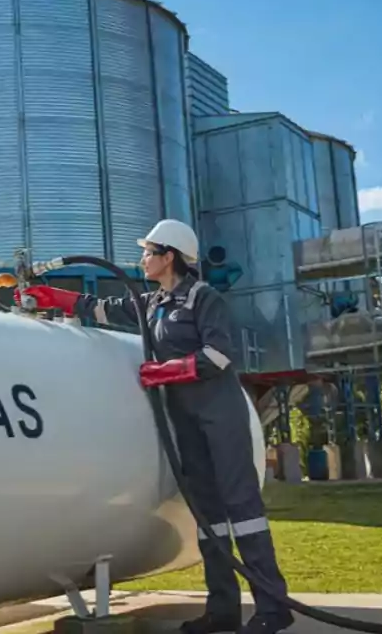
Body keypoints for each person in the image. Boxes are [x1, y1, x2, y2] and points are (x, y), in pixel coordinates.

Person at [16, 219, 294, 634]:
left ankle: (274, 608)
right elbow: (102, 309)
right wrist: (54, 296)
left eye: (149, 252)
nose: (142, 259)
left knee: (243, 511)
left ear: (170, 257)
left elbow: (219, 356)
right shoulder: (153, 302)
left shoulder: (203, 298)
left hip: (221, 415)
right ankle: (223, 610)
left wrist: (168, 371)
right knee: (208, 515)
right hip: (185, 419)